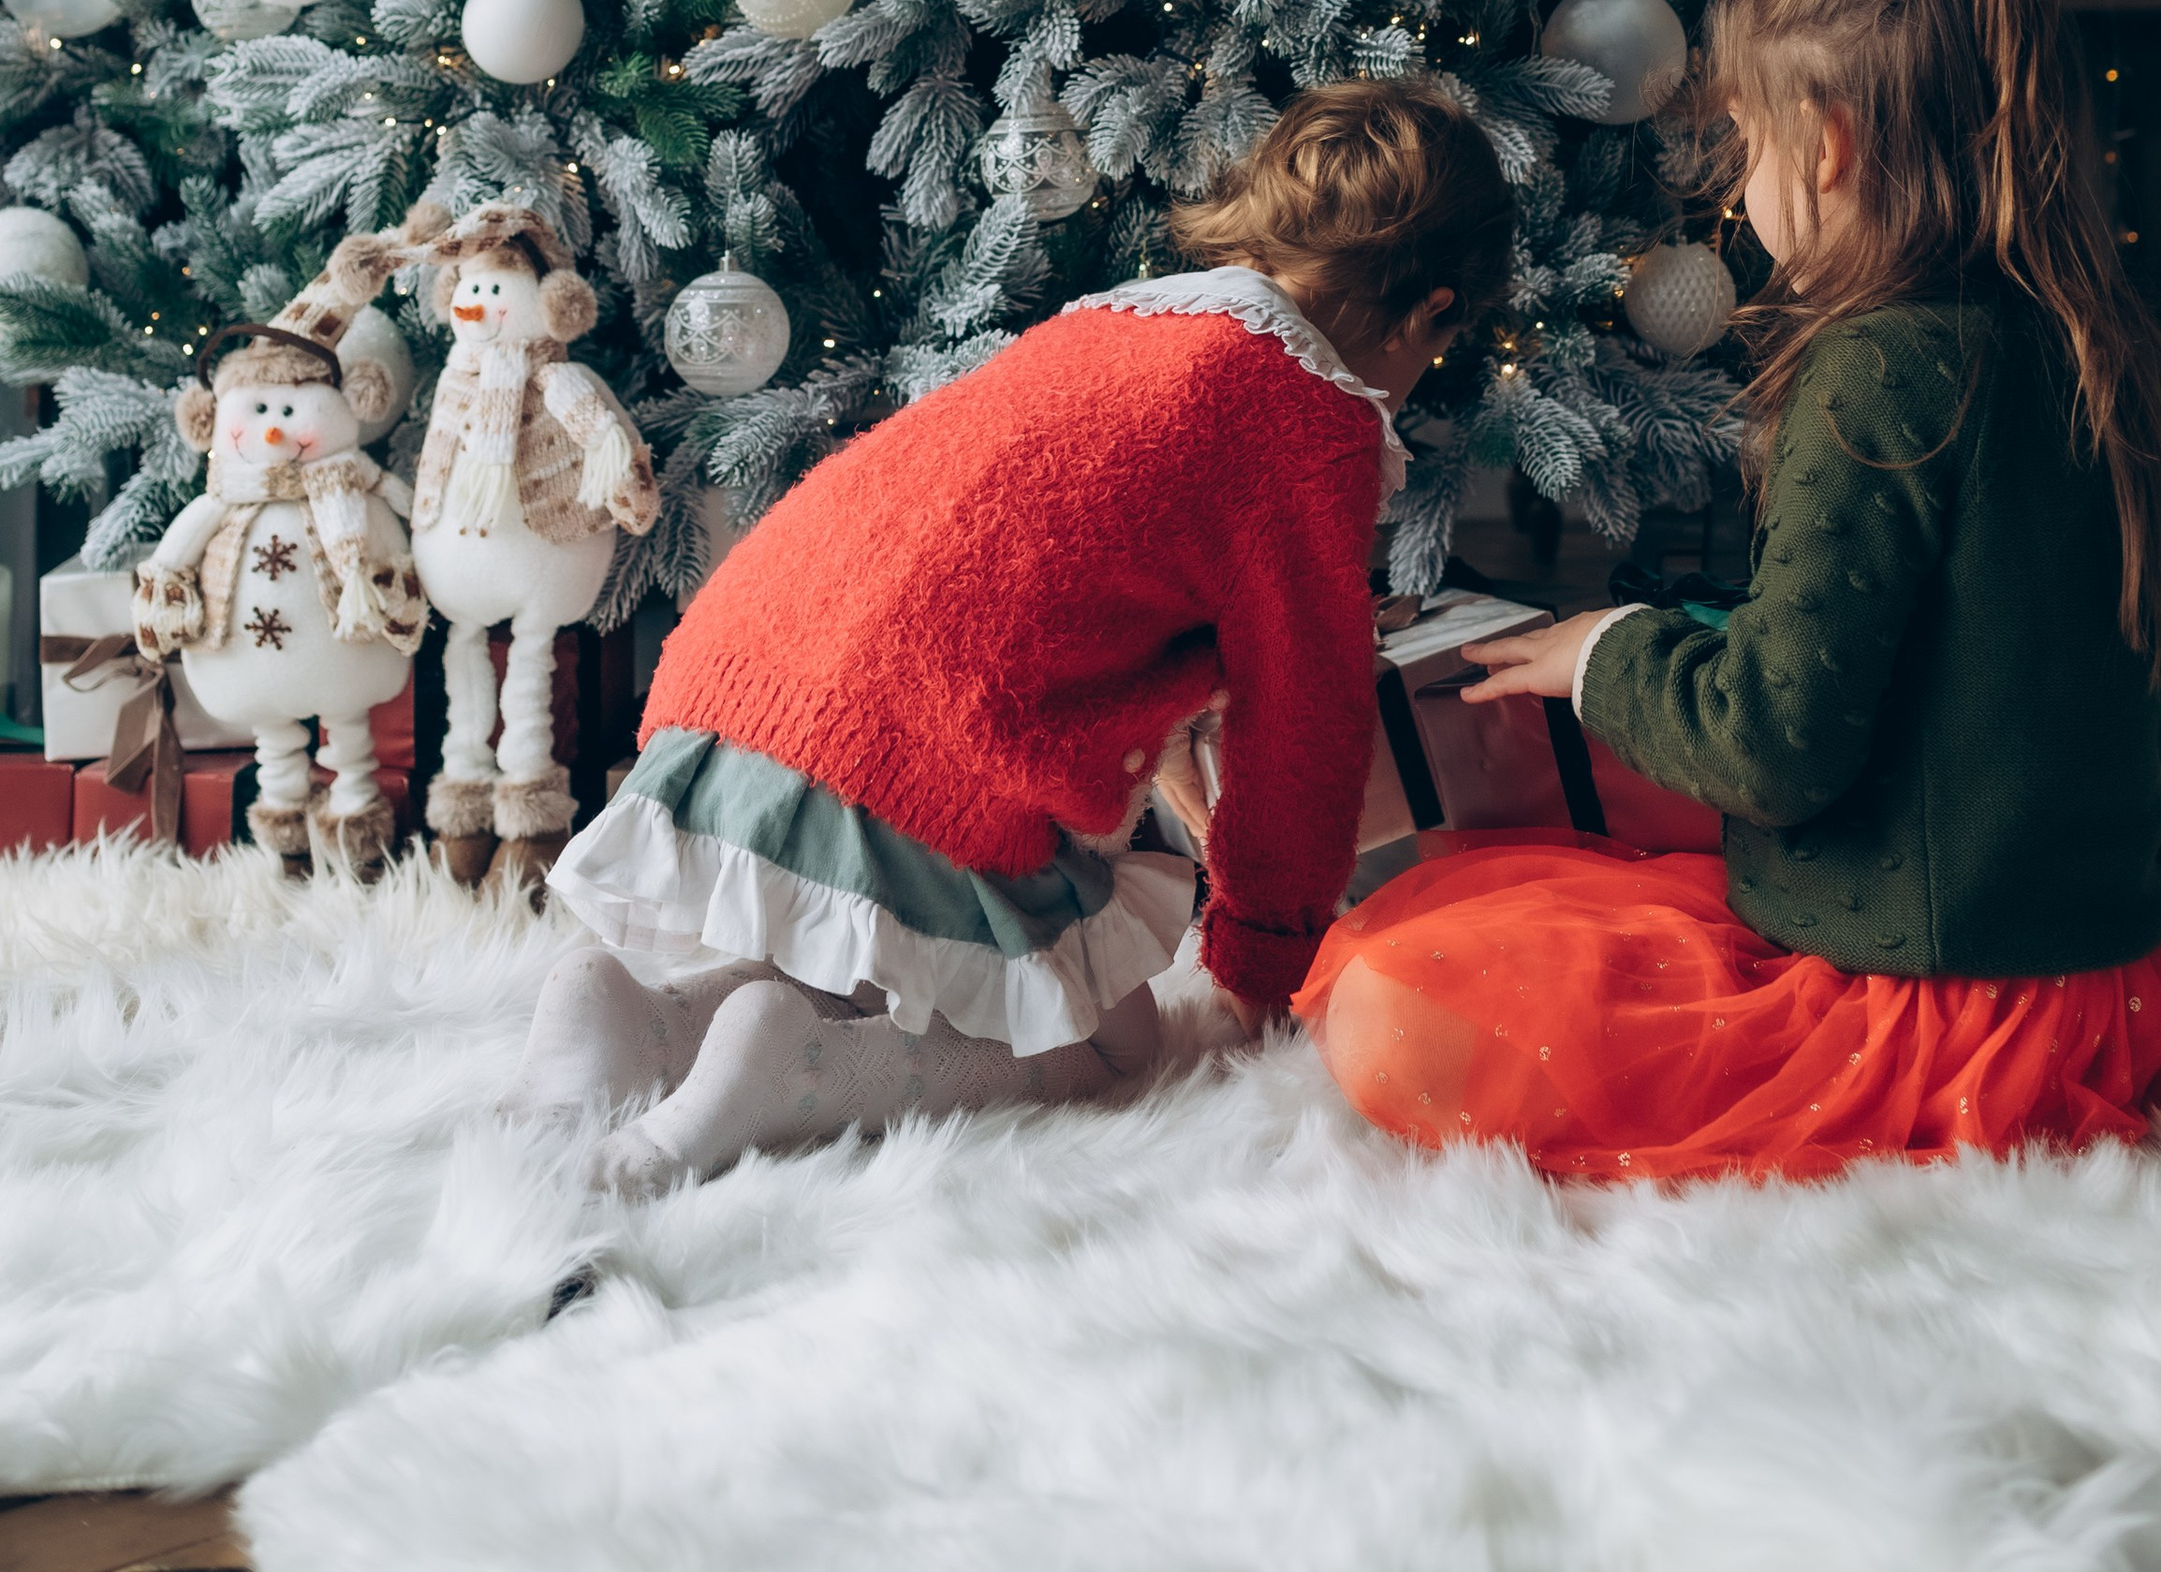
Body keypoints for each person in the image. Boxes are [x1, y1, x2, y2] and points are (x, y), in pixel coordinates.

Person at [1297, 0, 2161, 1184]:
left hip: (1926, 1014)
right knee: (1572, 891)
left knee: (1411, 974)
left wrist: (1604, 651)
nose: (1739, 185)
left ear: (1828, 145)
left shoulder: (1879, 371)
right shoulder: (2089, 339)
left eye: (1744, 142)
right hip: (2104, 987)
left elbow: (1776, 747)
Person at [507, 79, 1511, 1191]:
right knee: (1103, 1054)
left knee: (917, 954)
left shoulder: (1119, 321)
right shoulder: (1308, 418)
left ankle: (640, 1017)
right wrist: (1258, 955)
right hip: (921, 739)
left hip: (744, 683)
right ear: (1432, 313)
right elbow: (1305, 727)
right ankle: (782, 1067)